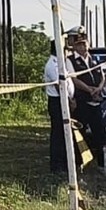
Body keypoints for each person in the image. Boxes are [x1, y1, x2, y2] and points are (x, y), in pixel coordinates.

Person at [68, 33, 106, 164]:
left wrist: (99, 88)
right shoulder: (70, 60)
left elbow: (102, 76)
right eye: (79, 44)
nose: (82, 47)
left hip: (96, 100)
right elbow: (74, 79)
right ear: (74, 46)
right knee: (80, 132)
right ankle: (79, 162)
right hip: (82, 101)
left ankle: (102, 161)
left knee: (100, 132)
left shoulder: (94, 59)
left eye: (84, 43)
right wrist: (89, 89)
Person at [43, 39, 76, 173]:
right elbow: (59, 87)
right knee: (58, 134)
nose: (67, 51)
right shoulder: (52, 65)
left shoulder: (61, 63)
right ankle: (57, 165)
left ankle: (64, 162)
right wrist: (69, 101)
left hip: (65, 100)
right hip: (58, 101)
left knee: (64, 133)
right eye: (65, 49)